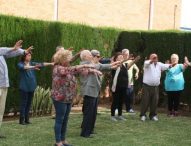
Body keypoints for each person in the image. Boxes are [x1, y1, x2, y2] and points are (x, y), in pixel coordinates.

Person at [52, 49, 101, 146]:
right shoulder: (57, 68)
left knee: (65, 120)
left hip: (68, 98)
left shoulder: (67, 67)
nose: (69, 60)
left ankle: (63, 140)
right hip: (60, 98)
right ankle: (58, 142)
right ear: (62, 59)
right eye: (68, 58)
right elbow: (69, 70)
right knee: (60, 120)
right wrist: (84, 65)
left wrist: (90, 68)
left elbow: (77, 70)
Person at [80, 50, 120, 138]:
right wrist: (112, 65)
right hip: (89, 92)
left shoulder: (92, 63)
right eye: (90, 55)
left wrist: (115, 64)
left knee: (93, 113)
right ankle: (85, 133)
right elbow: (98, 66)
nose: (91, 56)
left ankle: (90, 130)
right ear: (85, 56)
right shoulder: (84, 63)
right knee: (89, 113)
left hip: (94, 91)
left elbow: (101, 66)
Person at [0, 40, 32, 138]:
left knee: (0, 110)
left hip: (4, 85)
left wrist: (24, 52)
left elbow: (11, 52)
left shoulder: (2, 55)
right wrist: (14, 48)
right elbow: (5, 50)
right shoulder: (1, 52)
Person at [18, 51, 54, 125]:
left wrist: (51, 63)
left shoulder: (32, 63)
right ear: (24, 57)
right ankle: (21, 120)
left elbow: (42, 64)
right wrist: (33, 67)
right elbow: (24, 67)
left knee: (29, 104)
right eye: (28, 55)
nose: (30, 57)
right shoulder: (20, 64)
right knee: (23, 104)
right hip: (24, 87)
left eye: (30, 55)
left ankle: (27, 119)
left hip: (31, 87)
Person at [140, 53, 171, 122]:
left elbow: (167, 66)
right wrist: (151, 60)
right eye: (153, 57)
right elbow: (147, 63)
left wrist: (173, 64)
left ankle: (153, 115)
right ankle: (143, 115)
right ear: (150, 58)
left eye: (156, 57)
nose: (155, 58)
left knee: (155, 101)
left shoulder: (160, 64)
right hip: (146, 86)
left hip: (156, 87)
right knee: (145, 101)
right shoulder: (146, 63)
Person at [111, 52, 140, 121]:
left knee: (121, 101)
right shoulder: (115, 65)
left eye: (122, 57)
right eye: (119, 57)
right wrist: (127, 59)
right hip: (116, 86)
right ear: (116, 58)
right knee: (115, 101)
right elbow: (117, 65)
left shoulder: (124, 65)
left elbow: (130, 64)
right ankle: (112, 116)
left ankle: (120, 115)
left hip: (123, 86)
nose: (121, 58)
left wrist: (135, 60)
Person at [122, 49, 139, 113]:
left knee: (130, 96)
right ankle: (121, 108)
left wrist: (136, 73)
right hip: (123, 82)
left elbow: (137, 69)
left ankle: (129, 108)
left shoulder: (131, 61)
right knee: (124, 96)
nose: (127, 55)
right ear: (122, 54)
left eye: (127, 54)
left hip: (130, 82)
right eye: (125, 54)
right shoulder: (121, 62)